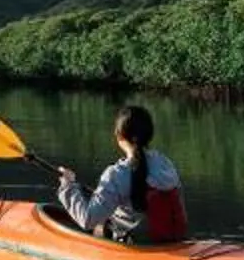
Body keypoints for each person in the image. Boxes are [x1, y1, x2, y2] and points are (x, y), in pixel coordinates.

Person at [56, 104, 188, 245]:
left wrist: (68, 186)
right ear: (149, 135)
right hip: (172, 240)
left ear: (119, 135)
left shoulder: (116, 174)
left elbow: (88, 220)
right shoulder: (165, 163)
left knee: (98, 226)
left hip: (140, 246)